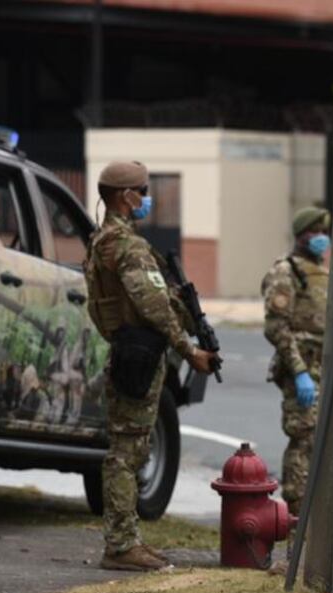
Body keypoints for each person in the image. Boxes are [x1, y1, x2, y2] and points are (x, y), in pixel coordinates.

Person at [85, 160, 217, 571]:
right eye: (142, 191)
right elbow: (154, 304)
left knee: (133, 447)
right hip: (139, 351)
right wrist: (188, 349)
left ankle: (127, 540)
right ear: (125, 197)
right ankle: (121, 545)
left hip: (131, 349)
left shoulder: (104, 240)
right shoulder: (127, 245)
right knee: (127, 452)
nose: (147, 198)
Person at [261, 206, 330, 517]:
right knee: (303, 439)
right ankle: (296, 520)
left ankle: (316, 519)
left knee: (322, 443)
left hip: (324, 369)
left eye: (324, 232)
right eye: (314, 232)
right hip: (301, 367)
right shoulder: (286, 271)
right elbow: (276, 327)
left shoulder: (324, 273)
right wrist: (299, 371)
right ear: (301, 236)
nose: (321, 238)